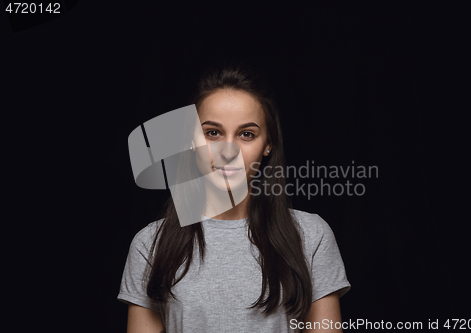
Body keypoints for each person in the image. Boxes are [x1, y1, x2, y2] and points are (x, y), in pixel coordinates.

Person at [117, 62, 351, 332]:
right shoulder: (151, 244)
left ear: (268, 145)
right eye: (212, 133)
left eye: (246, 134)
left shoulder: (311, 236)